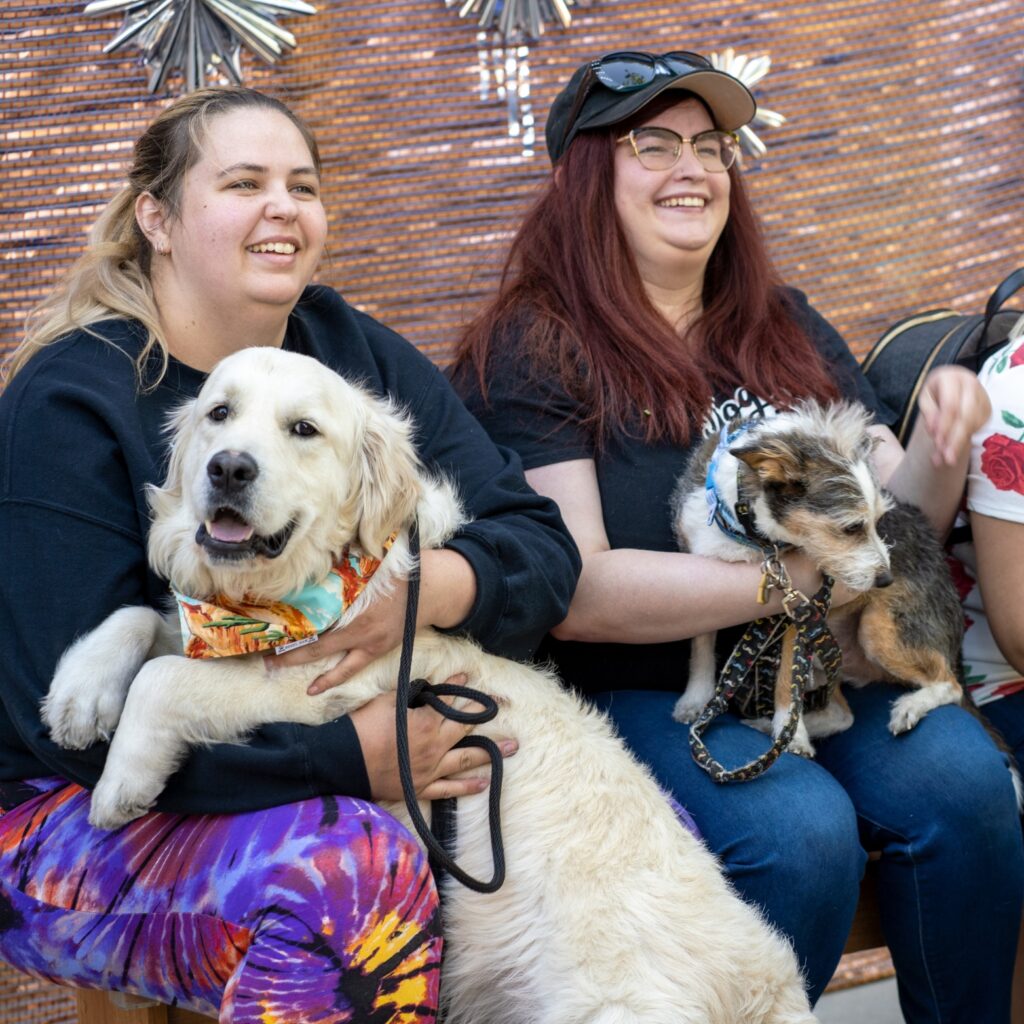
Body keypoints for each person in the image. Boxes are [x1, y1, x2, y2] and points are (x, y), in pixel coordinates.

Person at [451, 49, 1024, 1021]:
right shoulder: (533, 346)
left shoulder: (779, 322)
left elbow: (899, 522)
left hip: (819, 675)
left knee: (966, 783)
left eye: (711, 146)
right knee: (800, 831)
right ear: (582, 178)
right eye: (654, 144)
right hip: (637, 690)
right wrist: (804, 579)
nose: (693, 167)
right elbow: (579, 590)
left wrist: (938, 444)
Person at [0, 87, 579, 1023]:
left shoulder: (345, 350)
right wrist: (345, 759)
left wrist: (416, 595)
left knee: (597, 855)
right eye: (243, 182)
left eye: (301, 186)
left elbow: (540, 548)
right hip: (53, 818)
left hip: (339, 735)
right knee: (357, 878)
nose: (282, 206)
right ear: (158, 217)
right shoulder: (72, 399)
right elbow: (61, 733)